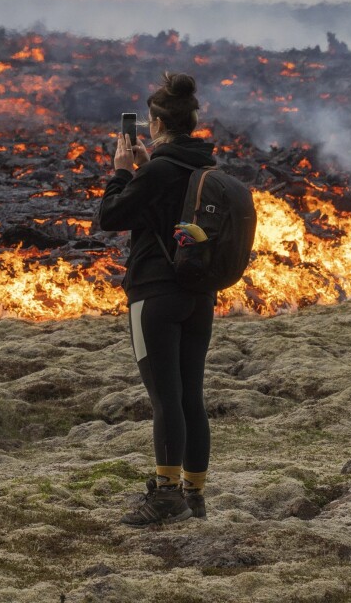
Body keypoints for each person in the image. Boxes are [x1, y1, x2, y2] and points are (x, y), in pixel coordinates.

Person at [98, 72, 216, 527]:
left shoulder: (157, 170)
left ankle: (166, 495)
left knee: (165, 398)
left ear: (157, 123)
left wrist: (122, 173)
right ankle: (194, 494)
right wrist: (147, 168)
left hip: (155, 293)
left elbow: (111, 216)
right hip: (199, 295)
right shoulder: (204, 168)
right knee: (191, 397)